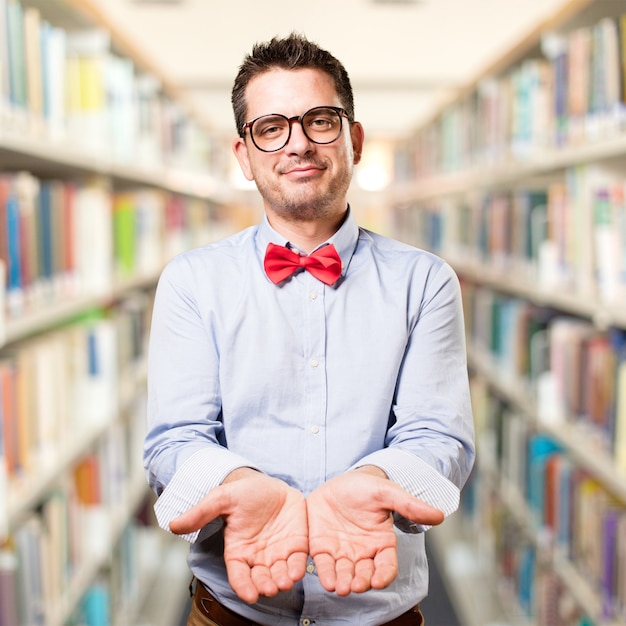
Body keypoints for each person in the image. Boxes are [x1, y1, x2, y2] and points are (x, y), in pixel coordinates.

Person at [144, 33, 475, 626]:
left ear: (354, 140)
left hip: (380, 614)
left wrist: (375, 481)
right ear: (244, 156)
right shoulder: (191, 282)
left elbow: (441, 439)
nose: (298, 142)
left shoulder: (425, 281)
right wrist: (238, 484)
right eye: (271, 127)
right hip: (231, 611)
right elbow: (173, 442)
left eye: (320, 120)